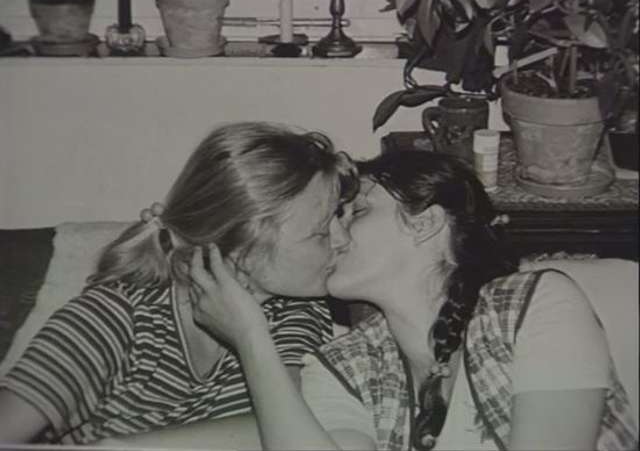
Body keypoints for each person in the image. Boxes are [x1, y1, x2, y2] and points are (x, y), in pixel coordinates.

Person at [187, 150, 638, 450]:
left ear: (425, 224)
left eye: (356, 213)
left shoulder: (530, 307)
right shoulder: (344, 367)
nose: (334, 235)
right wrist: (252, 340)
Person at [0, 121, 358, 445]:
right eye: (321, 233)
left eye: (340, 217)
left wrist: (250, 335)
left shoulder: (296, 308)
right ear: (244, 249)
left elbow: (286, 426)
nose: (344, 240)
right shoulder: (116, 316)